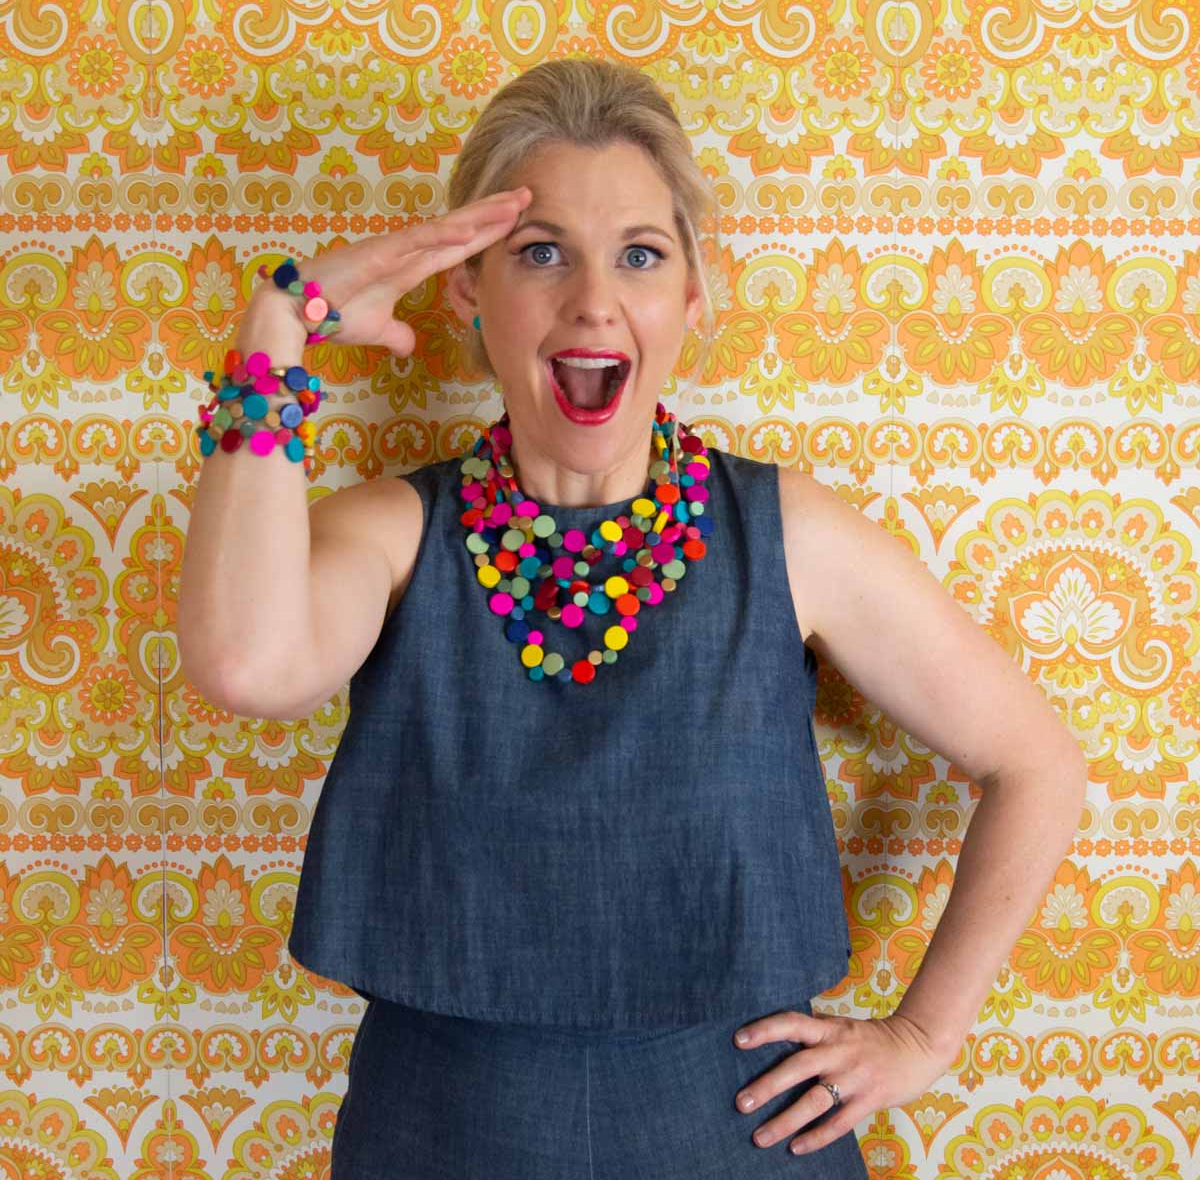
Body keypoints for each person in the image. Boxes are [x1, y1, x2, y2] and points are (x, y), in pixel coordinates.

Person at [178, 59, 1087, 1179]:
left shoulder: (787, 534)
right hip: (440, 1134)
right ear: (468, 290)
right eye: (542, 251)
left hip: (742, 1129)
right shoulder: (397, 533)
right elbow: (240, 659)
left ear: (691, 299)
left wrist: (922, 1036)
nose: (594, 301)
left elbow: (1037, 760)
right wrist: (281, 327)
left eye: (641, 257)